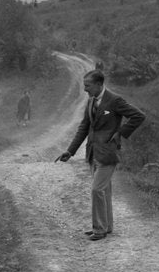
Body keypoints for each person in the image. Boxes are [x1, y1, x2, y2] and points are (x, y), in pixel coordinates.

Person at [55, 69, 145, 241]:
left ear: (98, 84)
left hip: (108, 154)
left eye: (87, 86)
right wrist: (70, 151)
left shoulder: (115, 100)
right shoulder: (91, 101)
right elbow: (83, 128)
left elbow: (138, 116)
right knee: (104, 191)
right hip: (93, 153)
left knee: (97, 190)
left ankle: (99, 230)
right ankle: (107, 226)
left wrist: (120, 133)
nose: (85, 90)